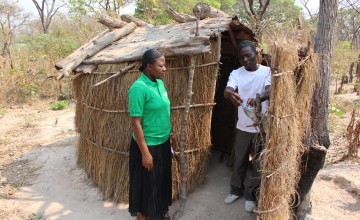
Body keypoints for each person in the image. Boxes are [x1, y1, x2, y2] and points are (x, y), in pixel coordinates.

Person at [223, 40, 271, 213]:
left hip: (261, 127)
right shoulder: (237, 73)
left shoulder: (266, 71)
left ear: (256, 54)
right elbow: (228, 89)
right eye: (241, 57)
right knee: (239, 161)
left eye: (248, 55)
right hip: (243, 126)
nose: (245, 59)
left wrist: (259, 97)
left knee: (258, 163)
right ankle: (236, 190)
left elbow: (270, 89)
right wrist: (229, 93)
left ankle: (251, 195)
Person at [128, 49, 172, 220]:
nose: (164, 69)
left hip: (163, 142)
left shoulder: (159, 84)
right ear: (149, 66)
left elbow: (162, 111)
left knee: (160, 182)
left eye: (164, 65)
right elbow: (135, 123)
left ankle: (159, 213)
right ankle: (143, 216)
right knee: (148, 186)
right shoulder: (139, 89)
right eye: (161, 66)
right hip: (148, 146)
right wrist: (145, 154)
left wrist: (169, 134)